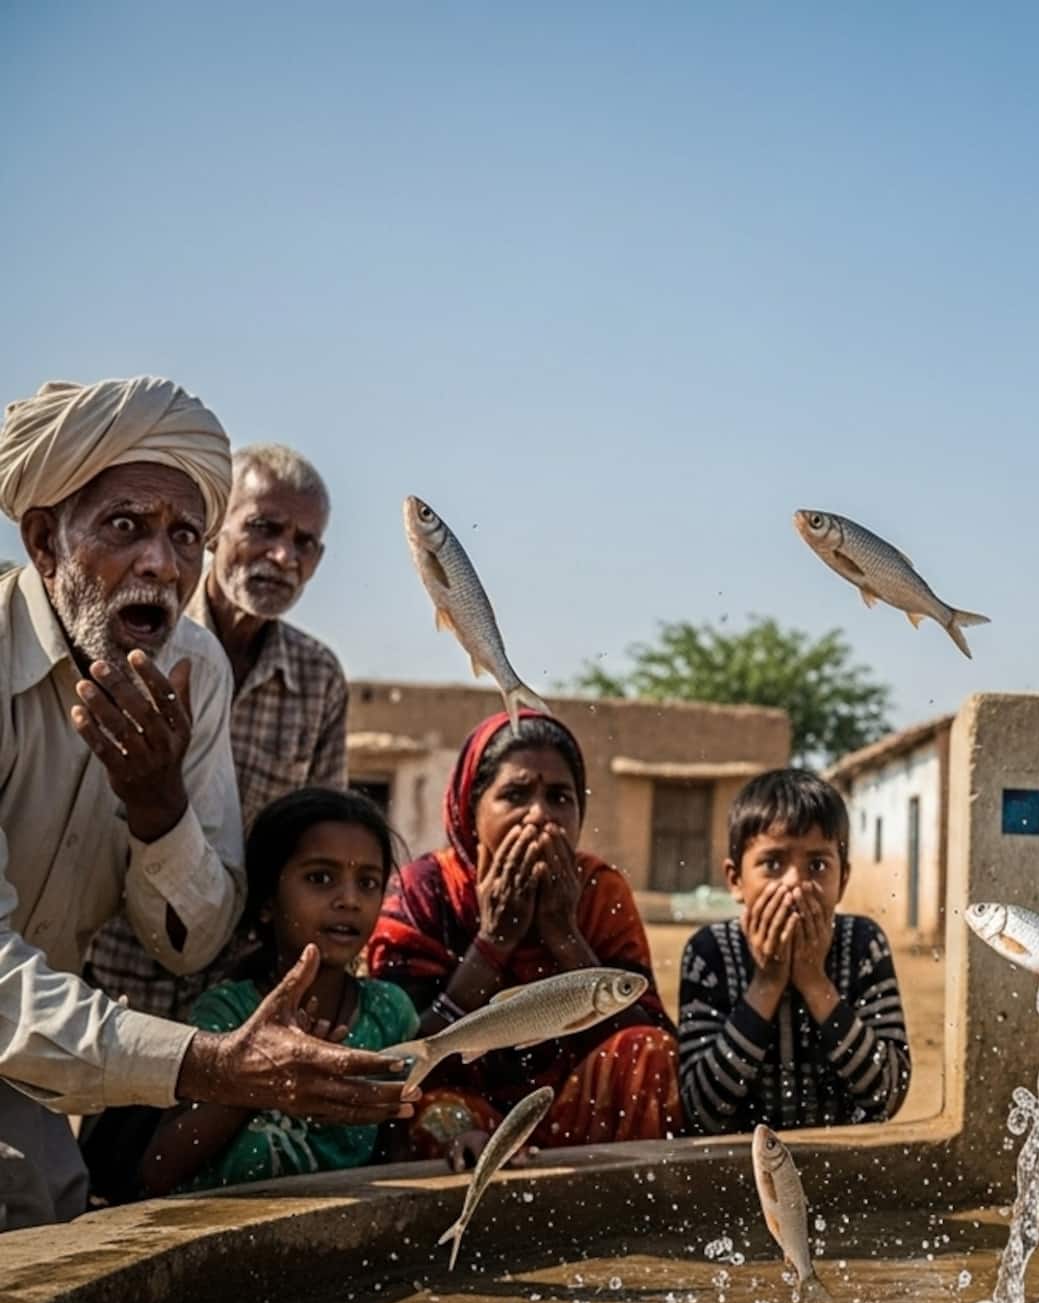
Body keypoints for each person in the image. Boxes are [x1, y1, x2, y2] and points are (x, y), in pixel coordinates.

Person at [0, 376, 408, 1229]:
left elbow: (195, 938)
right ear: (43, 540)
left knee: (53, 1225)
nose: (161, 562)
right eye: (126, 527)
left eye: (184, 535)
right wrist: (214, 1063)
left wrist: (159, 810)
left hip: (78, 1038)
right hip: (76, 1021)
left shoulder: (197, 670)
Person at [85, 443, 349, 1022]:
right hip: (106, 974)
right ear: (211, 533)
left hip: (237, 992)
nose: (283, 555)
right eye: (264, 528)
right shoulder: (140, 637)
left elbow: (321, 839)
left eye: (305, 542)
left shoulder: (319, 677)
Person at [366, 710, 680, 1165]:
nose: (539, 817)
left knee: (647, 1055)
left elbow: (645, 1030)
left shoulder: (598, 890)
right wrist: (494, 940)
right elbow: (403, 1049)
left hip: (574, 1112)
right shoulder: (427, 891)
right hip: (466, 1115)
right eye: (515, 795)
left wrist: (564, 933)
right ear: (471, 809)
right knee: (428, 1110)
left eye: (559, 797)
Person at [136, 789, 414, 1194]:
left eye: (368, 882)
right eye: (321, 878)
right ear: (267, 902)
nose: (350, 900)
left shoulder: (388, 1014)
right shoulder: (229, 1013)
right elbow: (158, 1171)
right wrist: (256, 1077)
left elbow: (395, 1154)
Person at [675, 768, 910, 1133]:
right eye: (772, 864)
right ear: (735, 880)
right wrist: (767, 982)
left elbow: (887, 1093)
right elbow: (701, 1110)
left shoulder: (863, 945)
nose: (795, 884)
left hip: (841, 1165)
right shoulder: (710, 953)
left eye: (817, 865)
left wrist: (814, 981)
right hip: (738, 1169)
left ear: (843, 880)